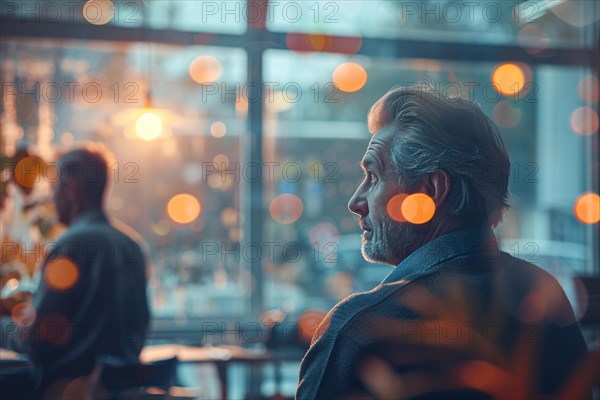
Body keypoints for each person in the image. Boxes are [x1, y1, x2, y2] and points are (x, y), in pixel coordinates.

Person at [296, 84, 589, 399]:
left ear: (430, 190)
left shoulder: (361, 329)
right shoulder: (545, 299)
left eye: (375, 176)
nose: (356, 201)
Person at [2, 145, 150, 398]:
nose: (51, 197)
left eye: (54, 188)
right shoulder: (132, 246)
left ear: (71, 188)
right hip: (119, 389)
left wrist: (5, 328)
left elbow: (38, 339)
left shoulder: (72, 245)